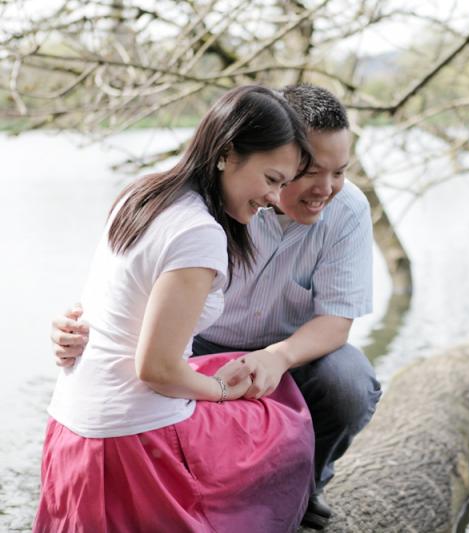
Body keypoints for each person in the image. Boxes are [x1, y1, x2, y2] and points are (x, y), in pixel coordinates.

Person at [50, 84, 382, 530]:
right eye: (304, 173)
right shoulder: (210, 210)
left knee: (349, 380)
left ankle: (306, 486)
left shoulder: (345, 210)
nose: (325, 189)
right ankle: (240, 498)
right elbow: (133, 297)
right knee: (266, 428)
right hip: (196, 351)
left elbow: (337, 321)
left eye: (339, 172)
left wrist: (276, 358)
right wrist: (77, 326)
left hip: (284, 349)